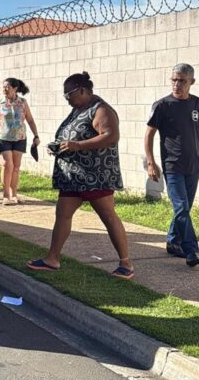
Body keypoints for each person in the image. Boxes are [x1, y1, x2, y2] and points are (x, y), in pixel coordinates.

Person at [26, 72, 134, 279]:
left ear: (83, 90)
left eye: (69, 94)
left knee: (108, 216)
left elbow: (111, 136)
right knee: (62, 214)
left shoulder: (101, 110)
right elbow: (73, 136)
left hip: (95, 176)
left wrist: (77, 145)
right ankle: (52, 259)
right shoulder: (79, 109)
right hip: (74, 177)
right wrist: (60, 147)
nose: (67, 99)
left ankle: (126, 264)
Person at [144, 63, 199, 267]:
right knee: (181, 206)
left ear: (191, 82)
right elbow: (149, 134)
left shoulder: (196, 104)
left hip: (193, 166)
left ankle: (172, 241)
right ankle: (191, 249)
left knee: (183, 208)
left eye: (182, 81)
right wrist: (151, 162)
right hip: (172, 165)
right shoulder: (162, 105)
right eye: (174, 80)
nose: (177, 84)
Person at [0, 77, 40, 205]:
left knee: (16, 167)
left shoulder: (23, 102)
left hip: (20, 138)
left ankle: (14, 194)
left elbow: (30, 120)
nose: (4, 89)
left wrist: (36, 135)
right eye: (3, 87)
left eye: (7, 87)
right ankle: (6, 196)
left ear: (15, 88)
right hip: (3, 138)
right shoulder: (0, 103)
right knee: (7, 165)